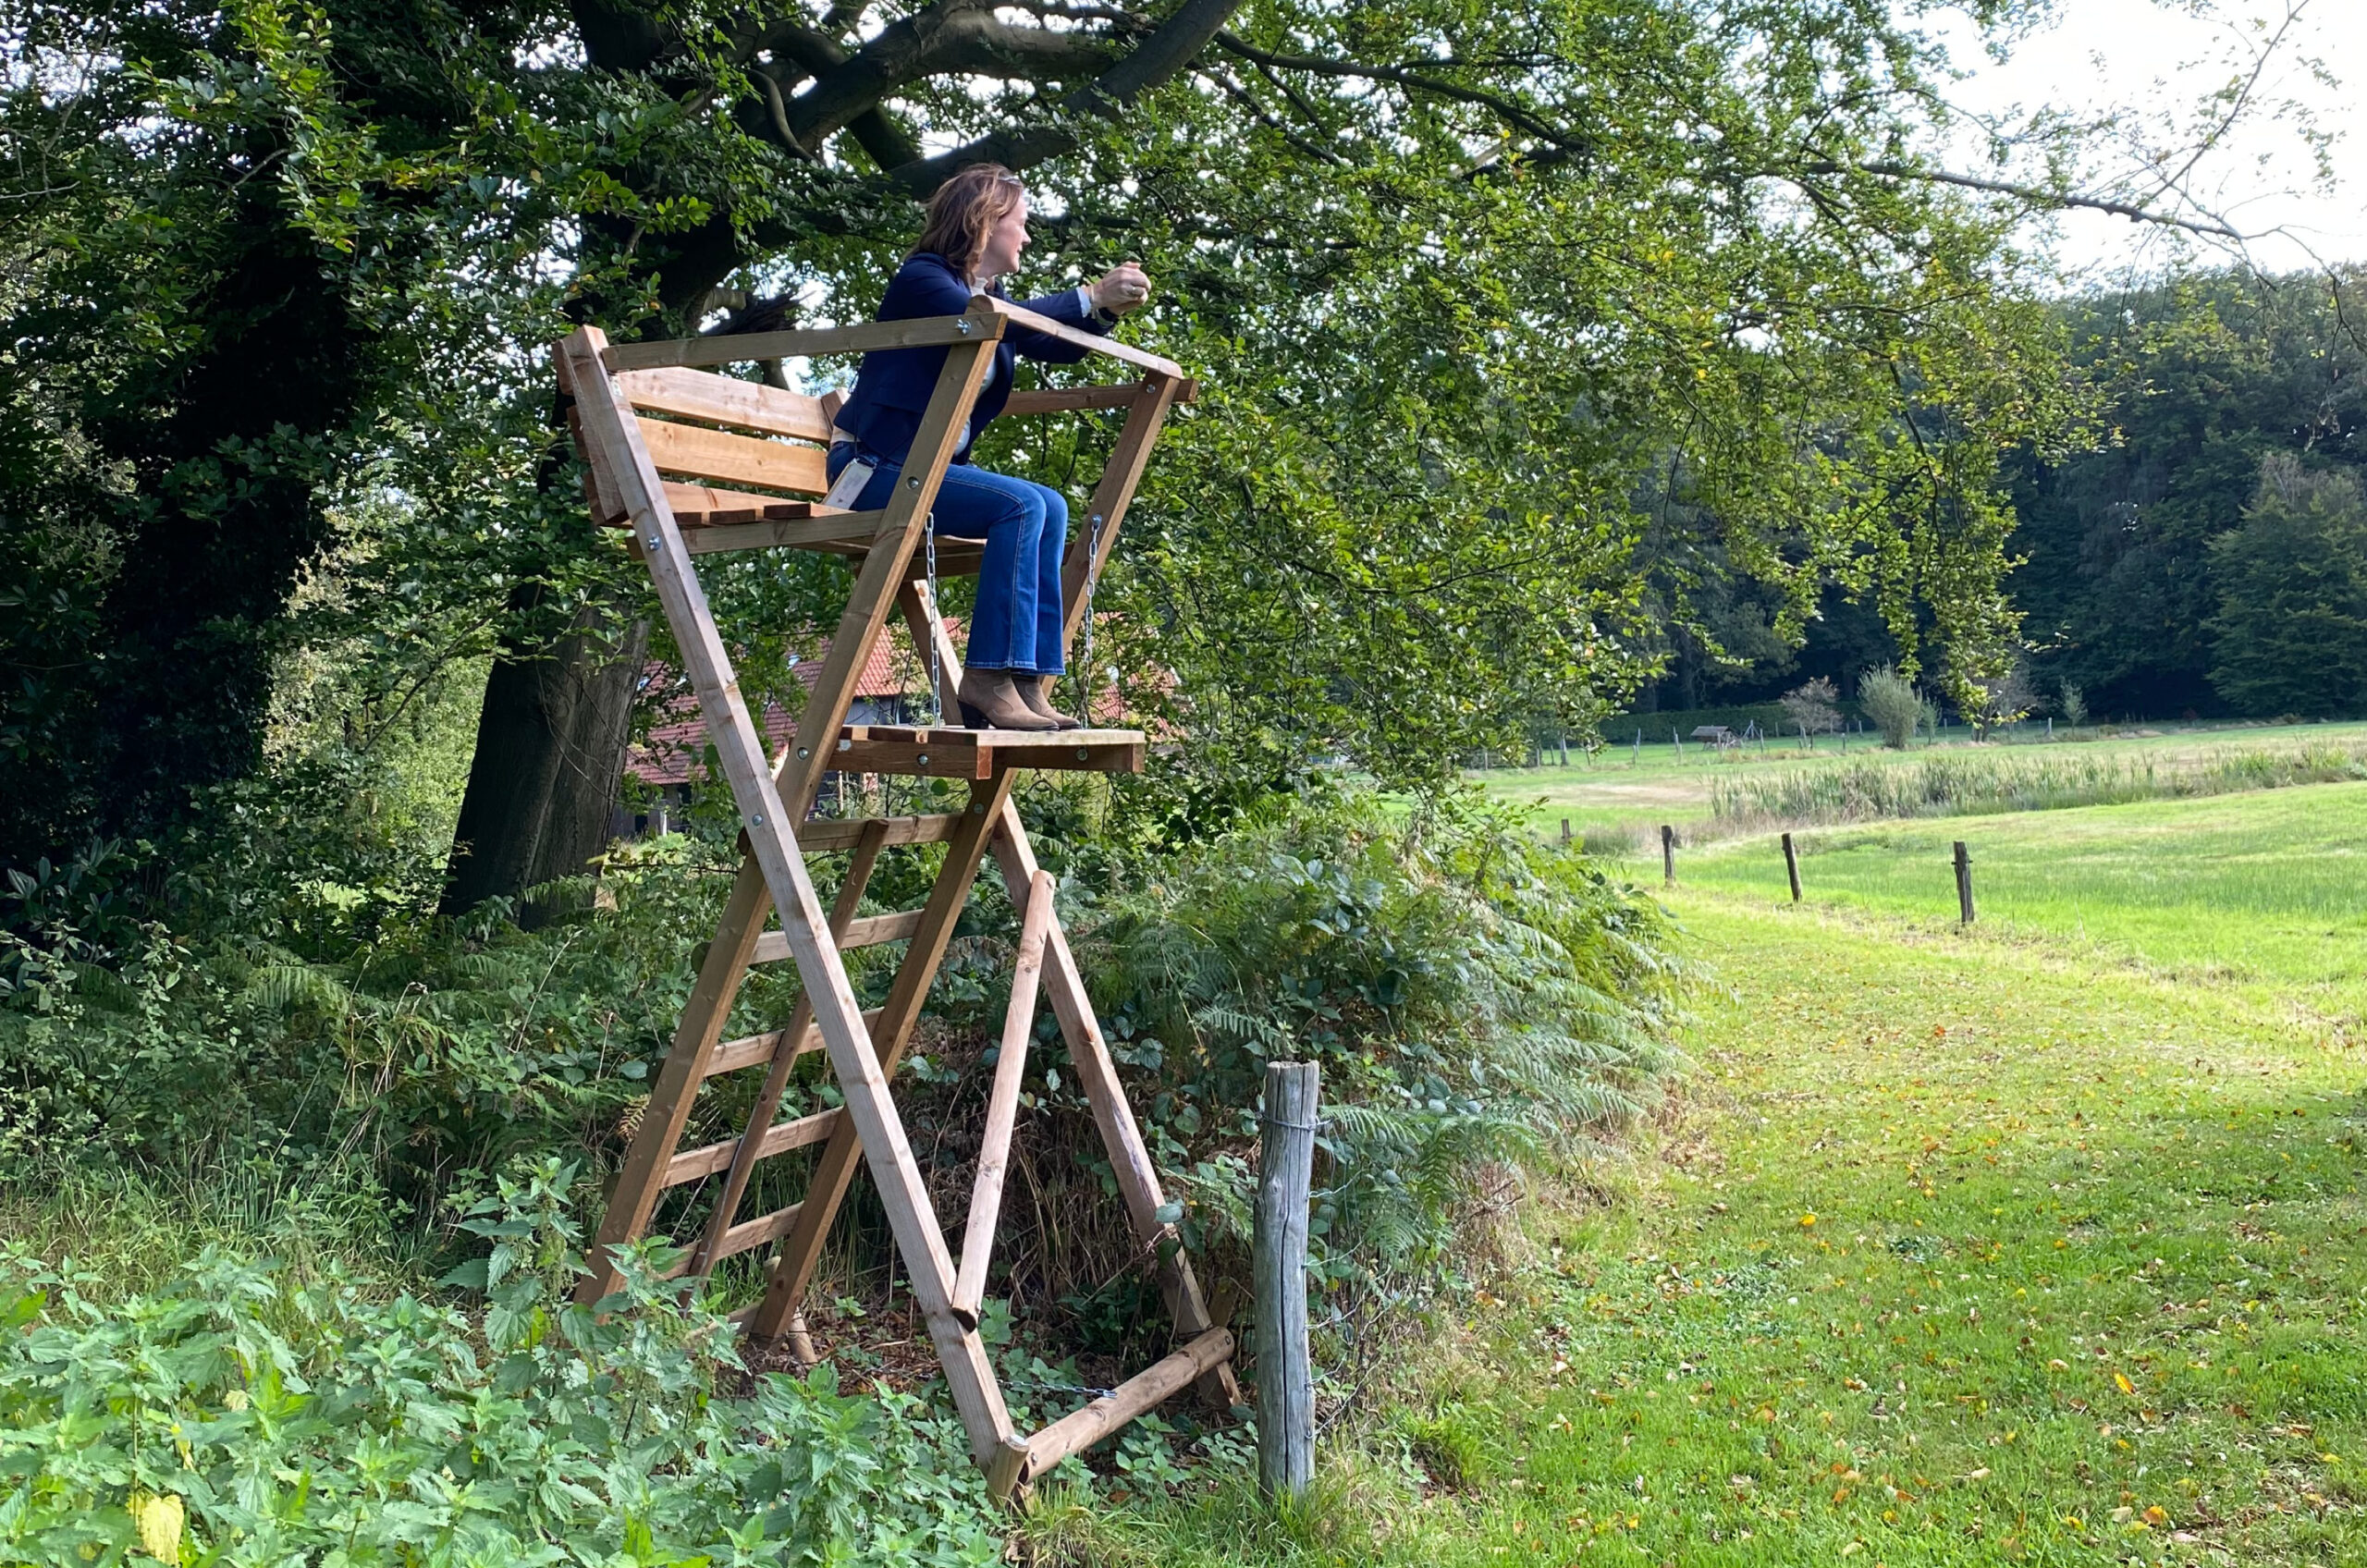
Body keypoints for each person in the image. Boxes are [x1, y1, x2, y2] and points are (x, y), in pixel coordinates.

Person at [828, 164, 1151, 731]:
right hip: (870, 471)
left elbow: (1045, 340)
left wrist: (1101, 310)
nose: (1026, 237)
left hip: (919, 473)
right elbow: (998, 324)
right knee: (1022, 505)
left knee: (1051, 504)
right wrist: (1088, 293)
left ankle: (1025, 680)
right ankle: (985, 680)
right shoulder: (922, 281)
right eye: (1020, 224)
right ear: (984, 222)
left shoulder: (988, 297)